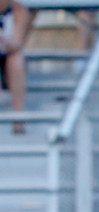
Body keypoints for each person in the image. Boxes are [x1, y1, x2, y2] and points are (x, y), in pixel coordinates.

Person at [0, 1, 31, 134]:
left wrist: (6, 43)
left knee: (16, 60)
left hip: (8, 55)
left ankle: (18, 118)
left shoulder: (20, 11)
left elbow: (17, 43)